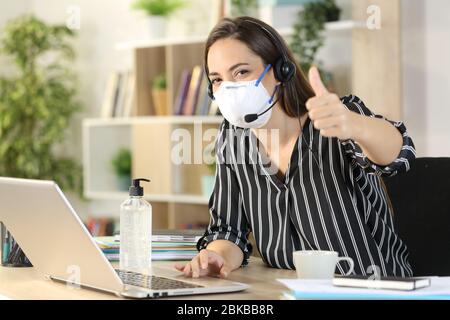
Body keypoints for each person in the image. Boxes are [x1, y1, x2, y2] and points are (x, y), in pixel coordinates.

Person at [175, 16, 416, 279]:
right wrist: (218, 256)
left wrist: (356, 126)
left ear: (281, 71)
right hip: (288, 291)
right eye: (218, 79)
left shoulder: (336, 118)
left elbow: (399, 156)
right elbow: (228, 230)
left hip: (372, 288)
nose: (229, 88)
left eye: (241, 72)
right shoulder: (233, 137)